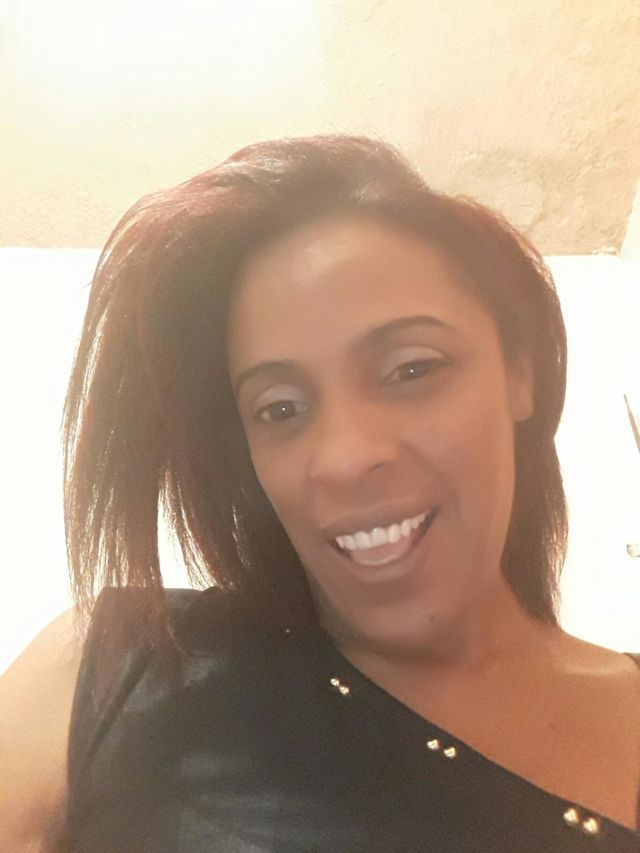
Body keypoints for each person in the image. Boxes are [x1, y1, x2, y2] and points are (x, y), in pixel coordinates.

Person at [1, 134, 639, 852]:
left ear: (520, 372)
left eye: (411, 369)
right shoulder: (118, 671)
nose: (344, 458)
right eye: (280, 408)